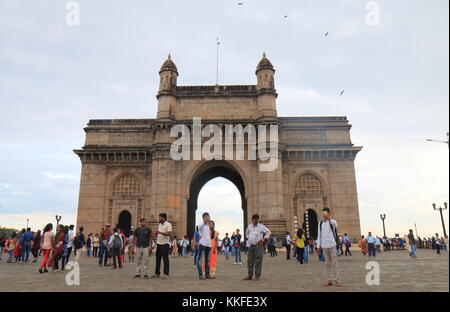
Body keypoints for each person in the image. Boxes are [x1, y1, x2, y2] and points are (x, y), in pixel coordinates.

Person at [316, 207, 342, 287]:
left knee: (334, 263)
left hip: (332, 245)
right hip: (324, 246)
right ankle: (329, 280)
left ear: (328, 214)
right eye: (323, 214)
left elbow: (335, 224)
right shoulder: (320, 224)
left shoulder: (332, 222)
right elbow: (319, 236)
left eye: (325, 214)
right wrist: (318, 247)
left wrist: (328, 219)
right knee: (327, 264)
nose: (324, 215)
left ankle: (337, 280)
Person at [243, 214, 271, 281]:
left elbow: (269, 232)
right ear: (252, 220)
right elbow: (246, 233)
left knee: (258, 261)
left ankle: (257, 276)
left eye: (257, 220)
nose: (256, 222)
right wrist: (248, 238)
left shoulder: (261, 226)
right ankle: (249, 275)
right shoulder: (249, 226)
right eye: (255, 220)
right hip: (250, 245)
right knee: (250, 261)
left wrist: (263, 239)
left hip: (258, 245)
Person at [152, 213, 172, 279]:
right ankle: (157, 273)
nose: (159, 219)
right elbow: (160, 234)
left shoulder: (168, 224)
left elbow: (169, 233)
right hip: (159, 244)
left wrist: (160, 232)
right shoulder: (160, 225)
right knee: (157, 260)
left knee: (165, 260)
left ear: (164, 218)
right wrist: (155, 234)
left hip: (165, 244)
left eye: (160, 217)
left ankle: (166, 274)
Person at [197, 212, 212, 280]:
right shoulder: (201, 224)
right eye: (208, 217)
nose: (209, 218)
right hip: (202, 245)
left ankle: (207, 274)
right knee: (200, 260)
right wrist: (205, 222)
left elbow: (211, 228)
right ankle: (200, 275)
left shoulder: (208, 225)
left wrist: (209, 223)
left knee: (207, 261)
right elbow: (200, 227)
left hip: (208, 245)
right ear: (204, 217)